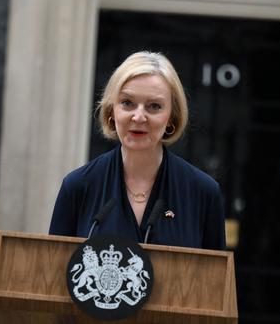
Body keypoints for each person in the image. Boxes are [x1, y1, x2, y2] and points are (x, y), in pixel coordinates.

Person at [49, 51, 226, 250]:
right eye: (127, 103)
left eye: (154, 106)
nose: (139, 117)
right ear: (111, 111)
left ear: (171, 117)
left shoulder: (204, 193)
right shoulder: (78, 186)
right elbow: (52, 272)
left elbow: (215, 278)